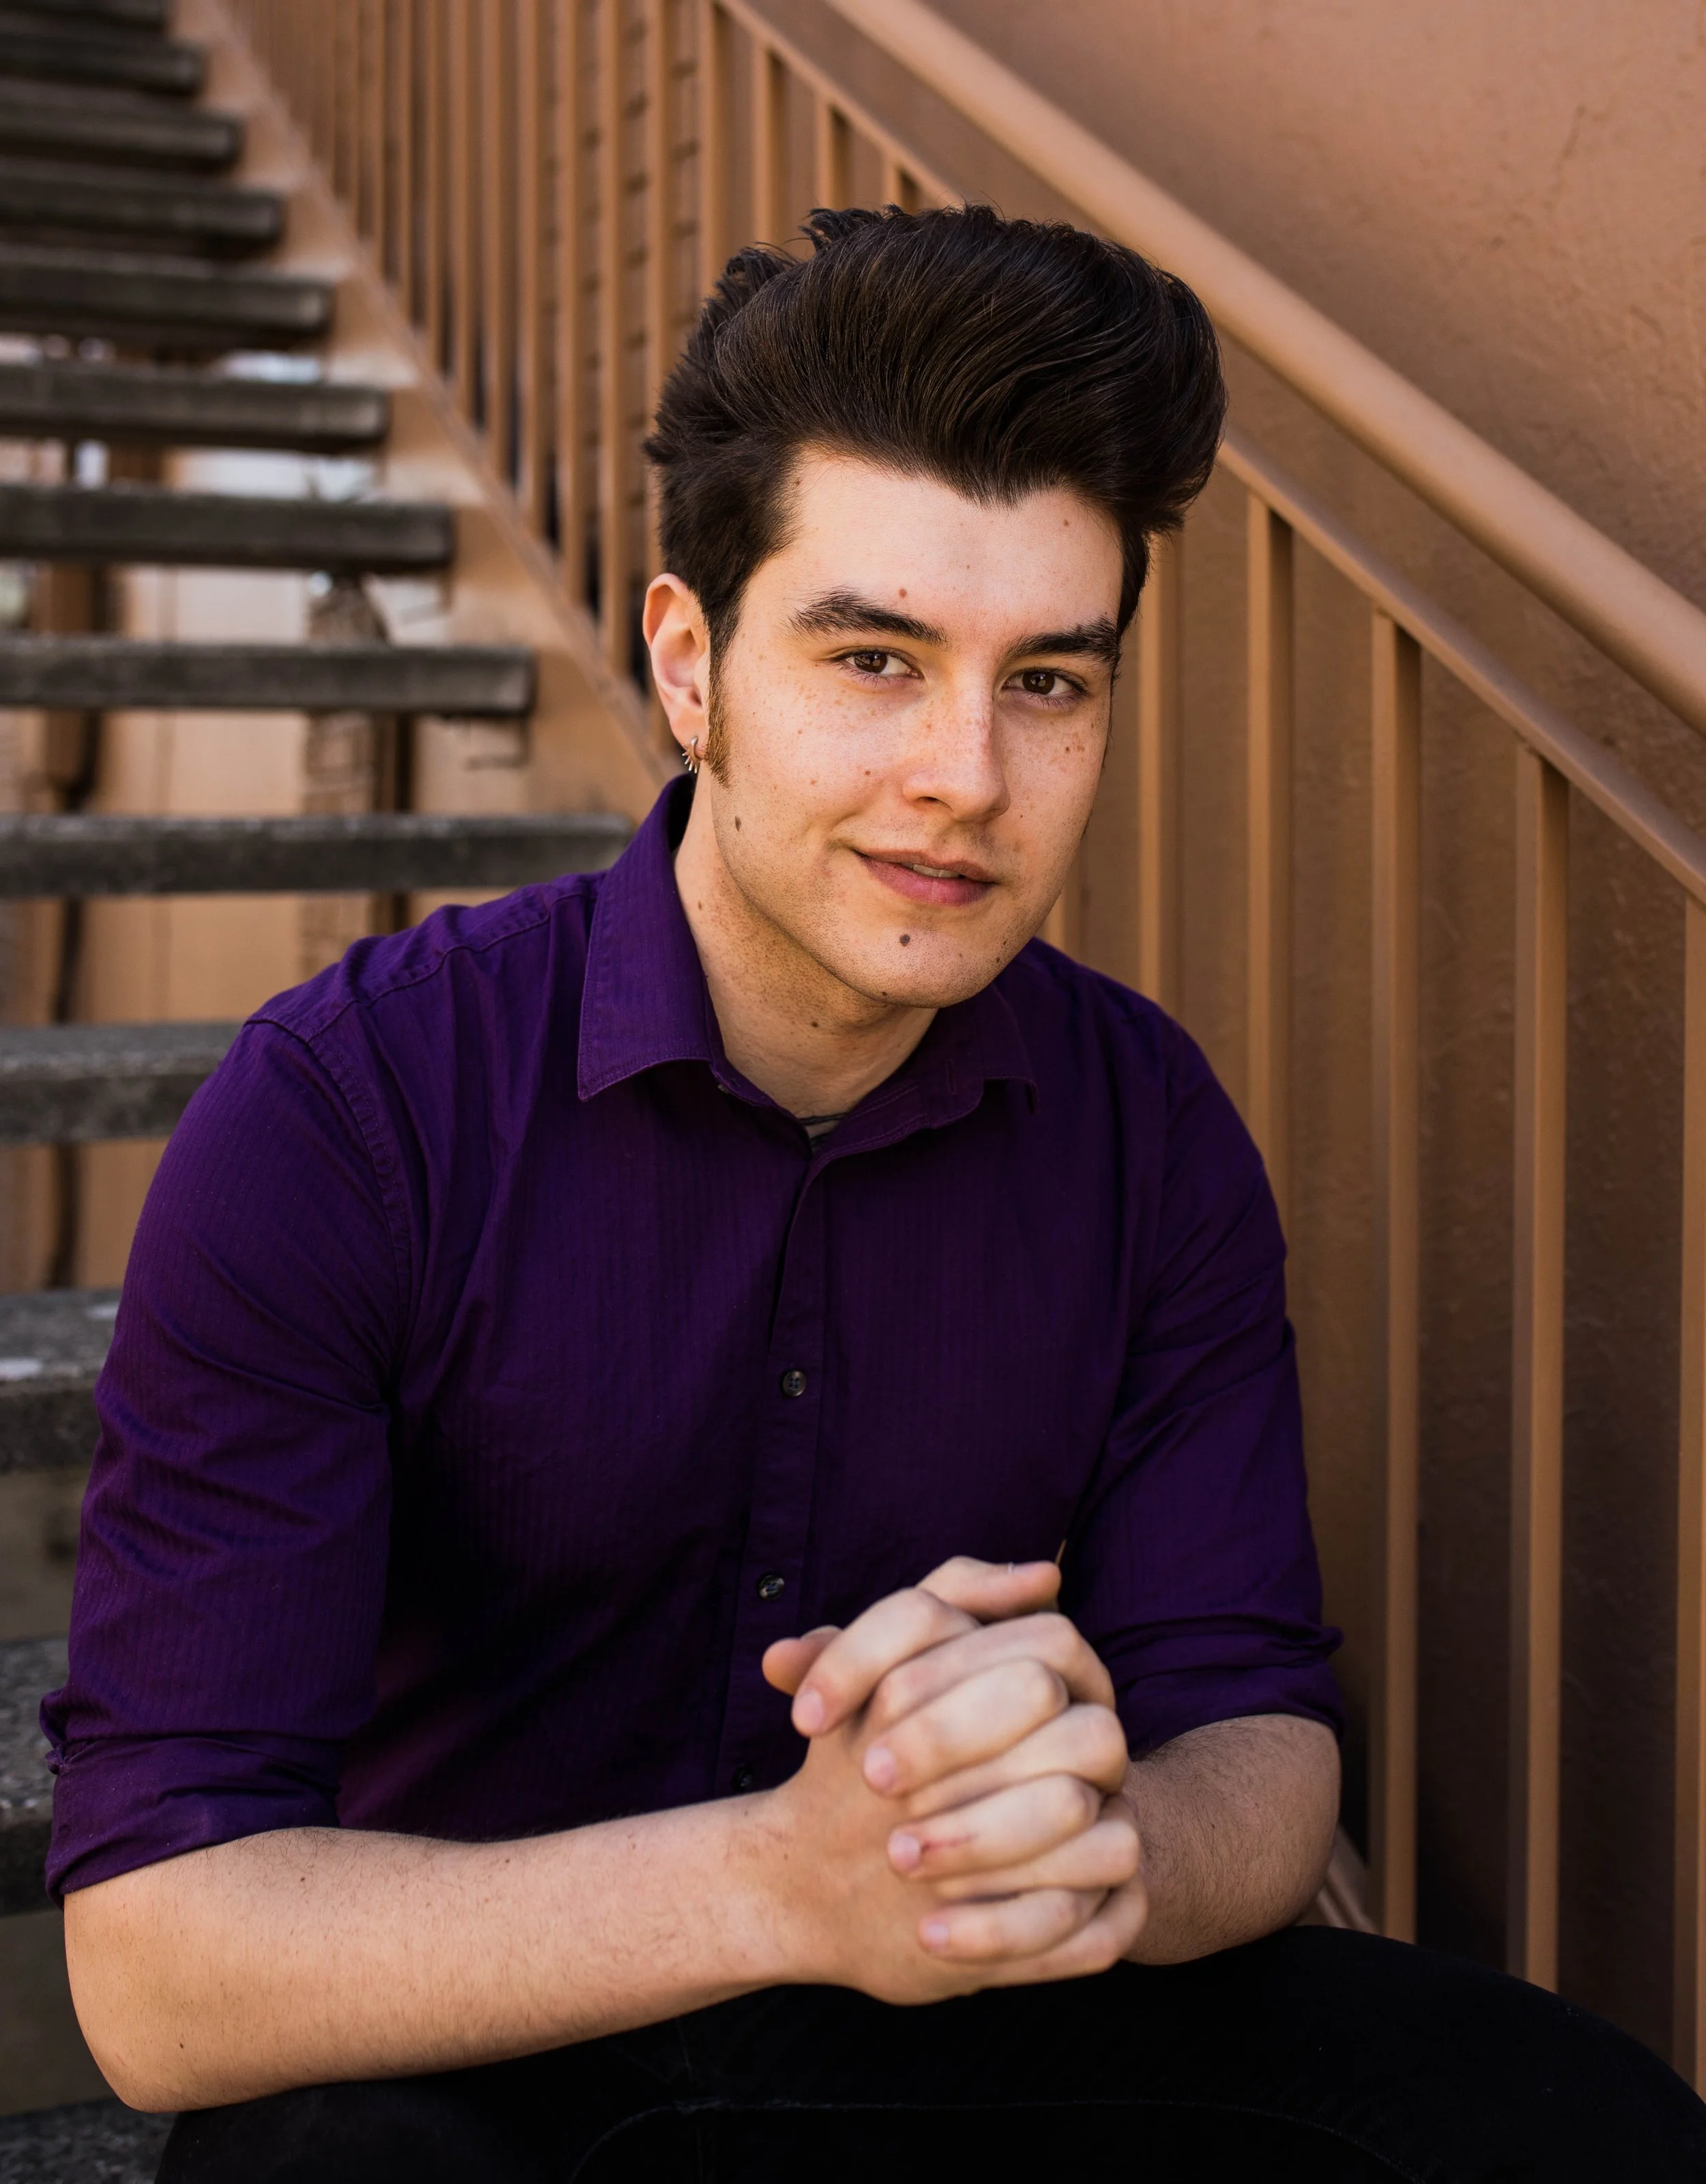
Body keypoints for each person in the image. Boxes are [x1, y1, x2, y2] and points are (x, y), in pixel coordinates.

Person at [44, 207, 1706, 2181]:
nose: (964, 776)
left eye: (1048, 686)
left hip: (975, 2009)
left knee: (1573, 2128)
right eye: (872, 657)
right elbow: (160, 1973)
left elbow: (1255, 1739)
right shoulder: (351, 1110)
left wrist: (1080, 1849)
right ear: (689, 663)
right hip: (468, 2036)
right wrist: (780, 1880)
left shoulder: (1144, 1126)